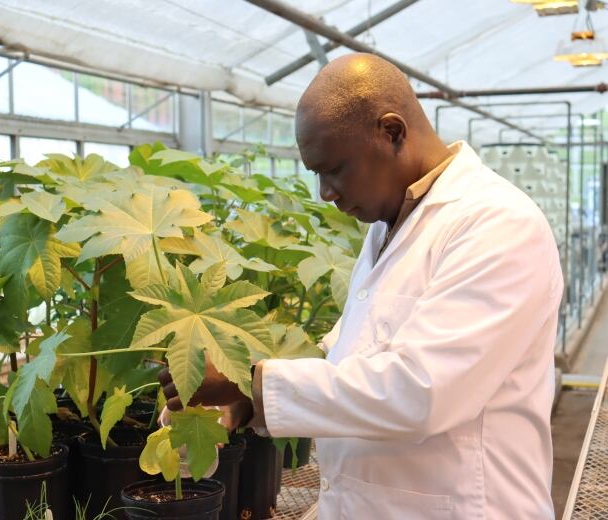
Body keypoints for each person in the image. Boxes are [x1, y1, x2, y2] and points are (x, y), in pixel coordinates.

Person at [159, 53, 563, 519]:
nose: (324, 193)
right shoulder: (388, 224)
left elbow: (420, 391)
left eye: (333, 169)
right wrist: (240, 405)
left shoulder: (499, 224)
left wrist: (249, 384)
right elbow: (356, 353)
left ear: (391, 132)